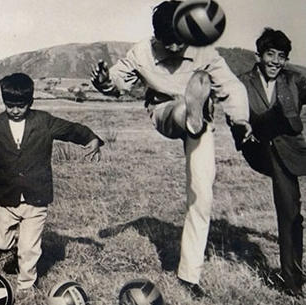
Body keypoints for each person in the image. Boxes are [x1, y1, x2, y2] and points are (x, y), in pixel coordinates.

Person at [90, 0, 252, 298]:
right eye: (169, 42)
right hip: (165, 111)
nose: (176, 48)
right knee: (179, 109)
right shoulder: (142, 52)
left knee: (201, 195)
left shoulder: (203, 50)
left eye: (180, 41)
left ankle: (189, 276)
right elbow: (118, 82)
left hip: (201, 121)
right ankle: (187, 112)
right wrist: (104, 82)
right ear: (157, 37)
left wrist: (240, 120)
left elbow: (231, 86)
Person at [0, 73, 102, 298]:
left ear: (31, 102)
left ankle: (26, 286)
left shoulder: (43, 121)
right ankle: (17, 244)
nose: (15, 110)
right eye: (10, 105)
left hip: (36, 197)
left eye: (21, 106)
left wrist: (90, 138)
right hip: (7, 198)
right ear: (3, 101)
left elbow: (70, 129)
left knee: (29, 248)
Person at [233, 28, 306, 297]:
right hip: (258, 146)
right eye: (270, 54)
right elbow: (231, 110)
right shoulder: (242, 82)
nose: (276, 61)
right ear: (259, 56)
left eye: (281, 56)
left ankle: (293, 275)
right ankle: (292, 280)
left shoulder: (294, 80)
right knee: (288, 206)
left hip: (290, 150)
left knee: (291, 212)